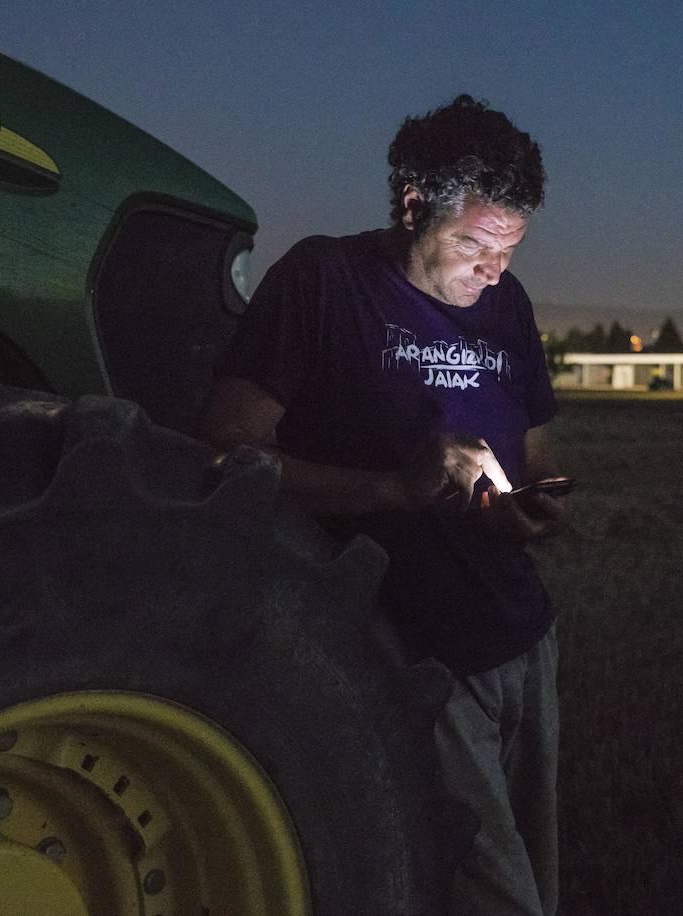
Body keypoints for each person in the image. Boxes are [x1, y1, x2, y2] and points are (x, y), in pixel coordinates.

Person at [199, 93, 567, 916]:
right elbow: (224, 453)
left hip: (520, 637)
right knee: (491, 897)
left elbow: (538, 452)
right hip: (406, 648)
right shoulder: (324, 283)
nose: (494, 270)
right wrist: (389, 489)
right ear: (411, 204)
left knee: (534, 883)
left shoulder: (507, 306)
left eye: (510, 249)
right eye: (474, 244)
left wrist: (533, 503)